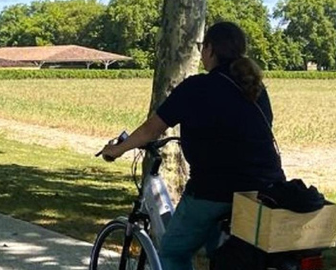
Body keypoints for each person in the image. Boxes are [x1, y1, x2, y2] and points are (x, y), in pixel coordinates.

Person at [99, 21, 285, 270]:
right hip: (264, 189)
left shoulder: (197, 87)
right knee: (221, 253)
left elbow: (151, 130)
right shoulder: (255, 89)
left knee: (172, 252)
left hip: (214, 190)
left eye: (202, 47)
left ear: (210, 49)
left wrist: (116, 149)